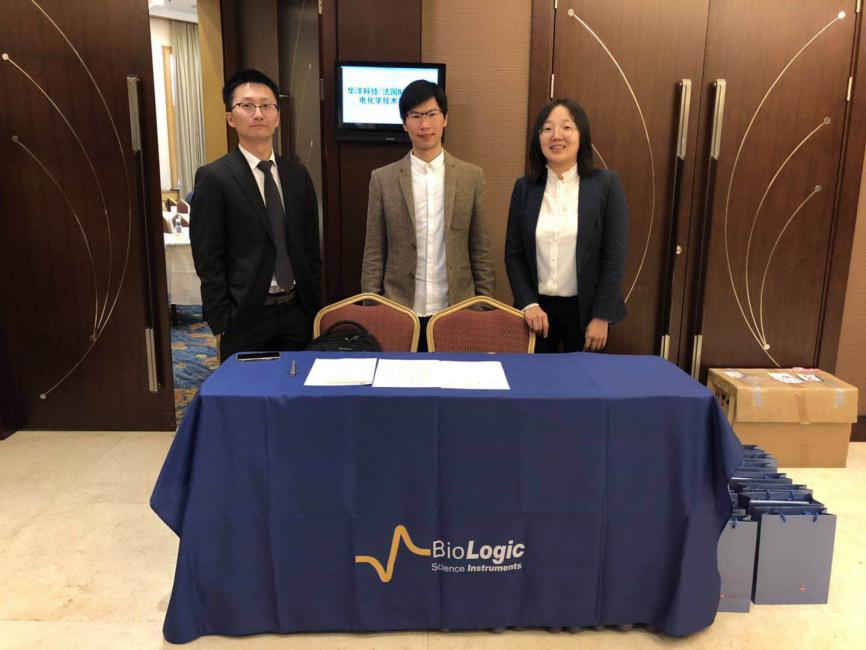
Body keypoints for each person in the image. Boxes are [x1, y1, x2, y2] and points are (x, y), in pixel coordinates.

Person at [191, 69, 322, 362]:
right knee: (248, 389)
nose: (258, 114)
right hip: (246, 315)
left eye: (266, 106)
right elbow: (207, 256)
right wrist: (222, 319)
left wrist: (312, 298)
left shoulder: (297, 175)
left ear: (277, 117)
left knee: (298, 385)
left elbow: (310, 246)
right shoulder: (214, 177)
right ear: (231, 117)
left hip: (297, 311)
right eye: (247, 105)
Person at [360, 80, 495, 350]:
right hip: (398, 310)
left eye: (432, 114)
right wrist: (372, 308)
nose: (425, 125)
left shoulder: (471, 177)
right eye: (416, 116)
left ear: (445, 119)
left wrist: (483, 305)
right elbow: (374, 251)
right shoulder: (383, 179)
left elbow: (480, 248)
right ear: (404, 123)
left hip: (456, 309)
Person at [505, 99, 628, 353]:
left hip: (588, 312)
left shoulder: (606, 184)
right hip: (536, 314)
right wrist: (528, 304)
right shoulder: (524, 188)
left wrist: (602, 315)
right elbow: (514, 254)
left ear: (581, 134)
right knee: (535, 377)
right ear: (538, 137)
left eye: (567, 127)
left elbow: (614, 256)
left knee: (586, 378)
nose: (556, 135)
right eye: (547, 128)